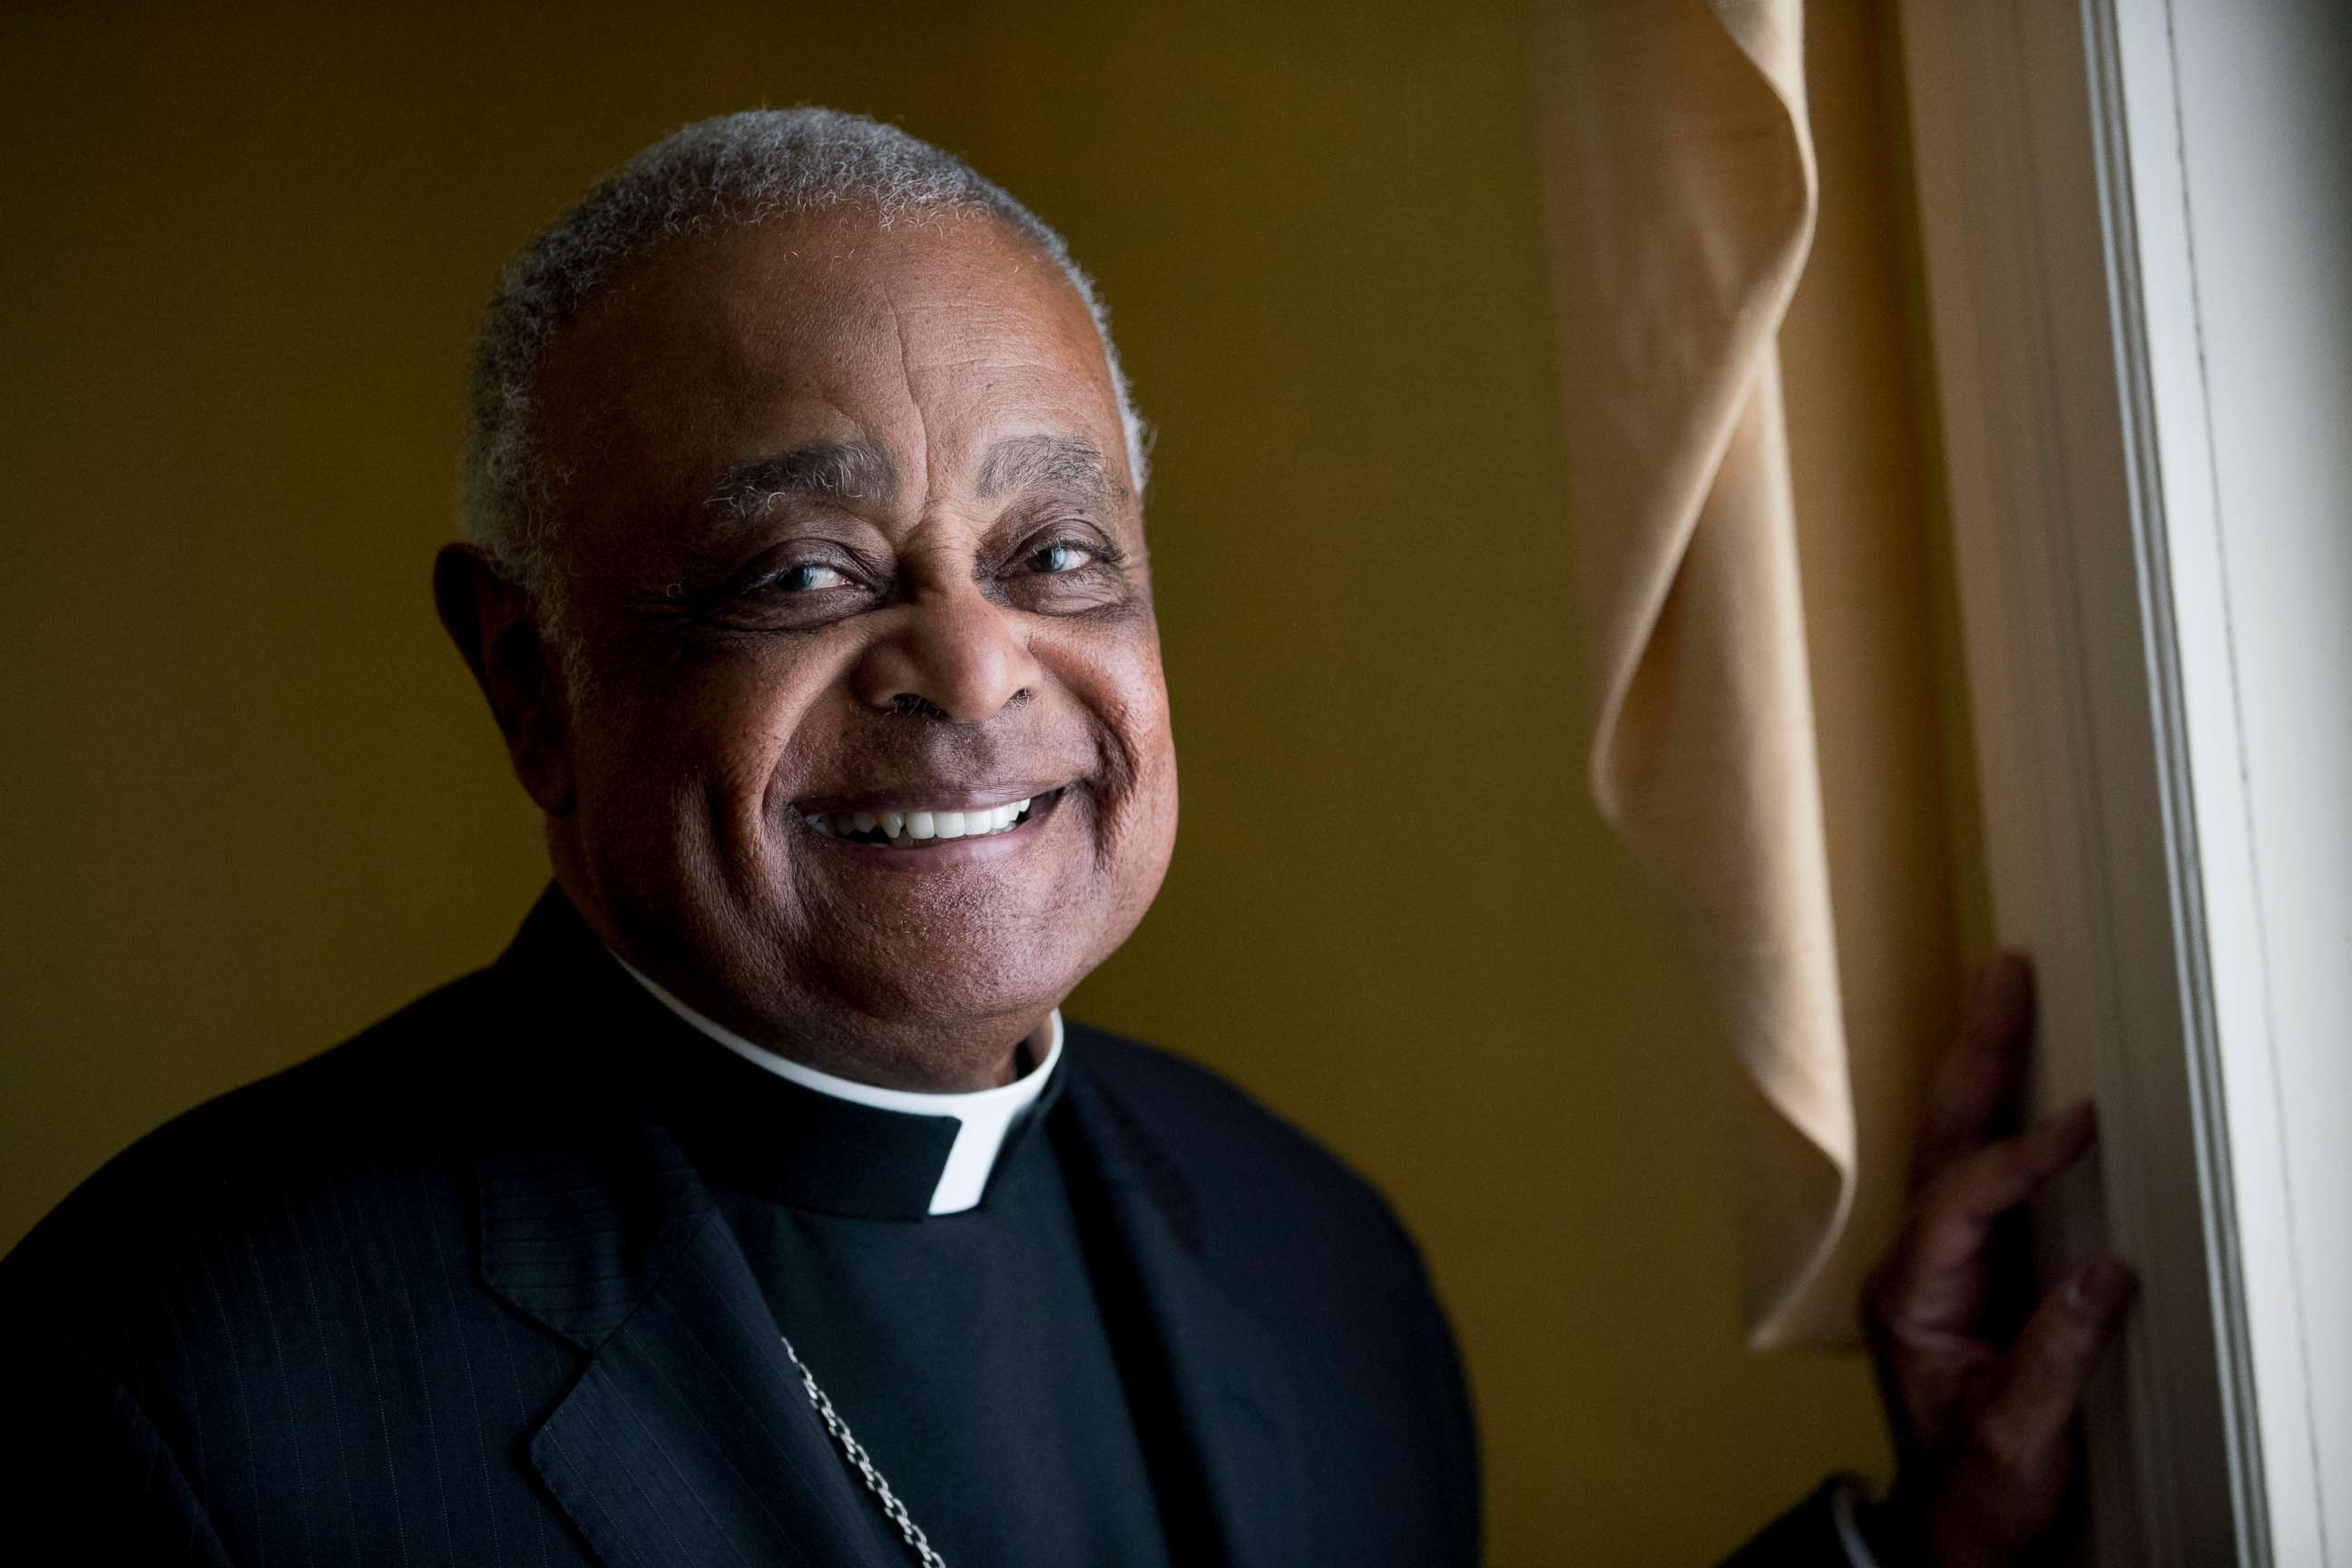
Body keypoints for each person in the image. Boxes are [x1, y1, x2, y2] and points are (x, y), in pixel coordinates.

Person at [1, 110, 2132, 1565]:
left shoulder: (1315, 1258)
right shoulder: (179, 1385)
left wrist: (1904, 1547)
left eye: (1057, 550)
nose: (973, 668)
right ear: (529, 683)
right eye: (806, 573)